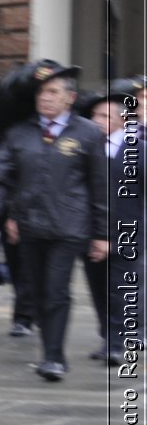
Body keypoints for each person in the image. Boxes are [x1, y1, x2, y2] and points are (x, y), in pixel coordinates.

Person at [0, 59, 109, 382]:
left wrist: (103, 234)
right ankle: (49, 350)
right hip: (30, 226)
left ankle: (53, 357)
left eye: (52, 92)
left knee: (56, 289)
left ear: (69, 98)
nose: (45, 98)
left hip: (69, 228)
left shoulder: (88, 133)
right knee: (38, 291)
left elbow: (101, 187)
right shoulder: (20, 134)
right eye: (41, 92)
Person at [77, 77, 144, 365]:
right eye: (95, 115)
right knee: (98, 289)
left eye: (105, 116)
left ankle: (118, 343)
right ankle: (107, 337)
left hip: (128, 233)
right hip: (91, 232)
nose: (98, 121)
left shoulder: (139, 150)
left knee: (121, 290)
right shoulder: (85, 149)